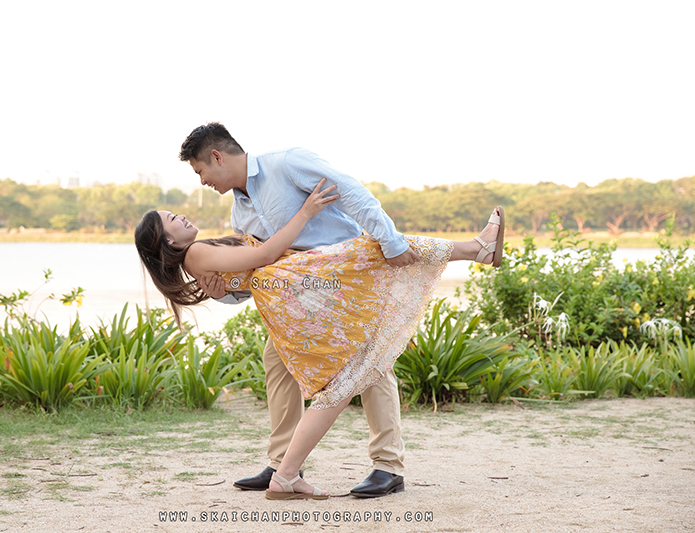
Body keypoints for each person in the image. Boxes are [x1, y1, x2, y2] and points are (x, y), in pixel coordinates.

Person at [174, 122, 502, 499]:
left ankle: (387, 466)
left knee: (371, 364)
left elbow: (352, 193)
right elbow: (262, 276)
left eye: (200, 171)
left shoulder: (287, 163)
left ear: (216, 156)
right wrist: (221, 293)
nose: (202, 182)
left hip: (347, 280)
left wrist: (391, 243)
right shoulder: (241, 212)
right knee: (277, 359)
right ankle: (282, 463)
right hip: (304, 300)